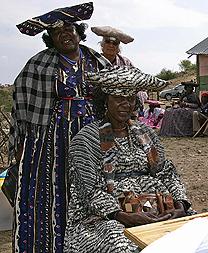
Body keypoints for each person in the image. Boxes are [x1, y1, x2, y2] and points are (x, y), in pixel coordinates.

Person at [10, 3, 111, 252]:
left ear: (79, 32)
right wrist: (22, 142)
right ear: (50, 39)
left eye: (69, 29)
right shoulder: (39, 65)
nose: (64, 35)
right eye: (57, 33)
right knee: (51, 192)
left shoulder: (96, 61)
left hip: (91, 135)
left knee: (92, 186)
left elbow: (115, 94)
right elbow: (22, 103)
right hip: (51, 140)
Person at [64, 66, 188, 253]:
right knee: (120, 244)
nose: (126, 104)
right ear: (105, 101)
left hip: (158, 208)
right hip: (105, 216)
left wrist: (180, 204)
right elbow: (88, 190)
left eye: (130, 99)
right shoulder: (87, 138)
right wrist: (122, 216)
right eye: (118, 98)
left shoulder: (145, 133)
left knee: (188, 235)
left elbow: (166, 172)